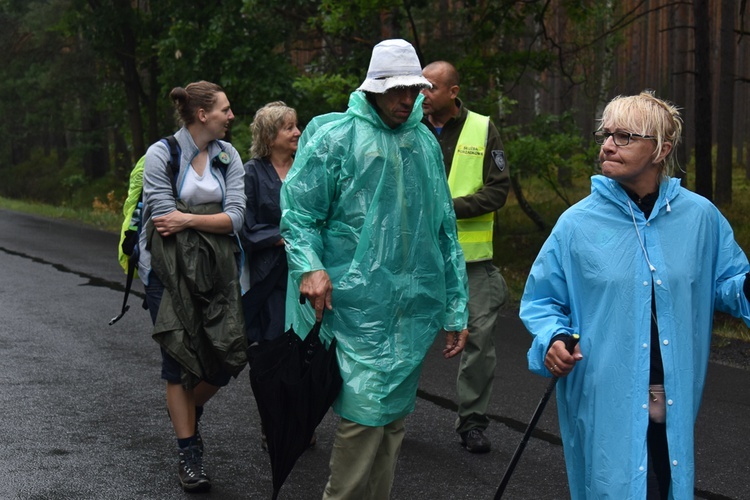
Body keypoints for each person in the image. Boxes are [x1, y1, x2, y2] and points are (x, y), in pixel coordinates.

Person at [519, 90, 750, 499]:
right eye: (605, 134)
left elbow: (730, 285)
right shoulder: (576, 224)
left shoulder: (700, 218)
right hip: (603, 399)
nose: (608, 145)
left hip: (674, 402)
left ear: (661, 148)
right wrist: (553, 338)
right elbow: (543, 301)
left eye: (624, 136)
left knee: (666, 486)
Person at [280, 39, 470, 500]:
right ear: (373, 88)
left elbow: (443, 228)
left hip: (409, 310)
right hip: (352, 308)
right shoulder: (335, 138)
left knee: (391, 425)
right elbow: (299, 216)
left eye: (414, 90)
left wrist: (455, 306)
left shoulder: (422, 141)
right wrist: (310, 266)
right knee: (363, 419)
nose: (408, 100)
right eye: (397, 90)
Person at [140, 80, 247, 492]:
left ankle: (186, 410)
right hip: (166, 276)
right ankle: (189, 451)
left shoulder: (227, 155)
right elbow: (164, 218)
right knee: (178, 363)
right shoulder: (161, 155)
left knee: (226, 356)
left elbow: (236, 216)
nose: (231, 115)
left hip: (219, 273)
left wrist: (189, 219)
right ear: (203, 114)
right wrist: (203, 219)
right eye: (225, 109)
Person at [421, 60, 510, 453]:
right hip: (416, 257)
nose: (422, 95)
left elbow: (498, 191)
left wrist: (447, 207)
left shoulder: (482, 128)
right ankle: (386, 415)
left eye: (431, 88)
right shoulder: (409, 127)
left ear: (452, 92)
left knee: (478, 340)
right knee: (401, 335)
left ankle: (472, 422)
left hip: (471, 262)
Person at [239, 101, 313, 451]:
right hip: (269, 278)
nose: (297, 132)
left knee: (304, 348)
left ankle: (301, 419)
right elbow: (243, 224)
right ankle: (272, 422)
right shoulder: (251, 173)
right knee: (271, 350)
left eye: (296, 126)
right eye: (289, 127)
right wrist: (278, 237)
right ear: (270, 136)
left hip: (306, 273)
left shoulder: (308, 168)